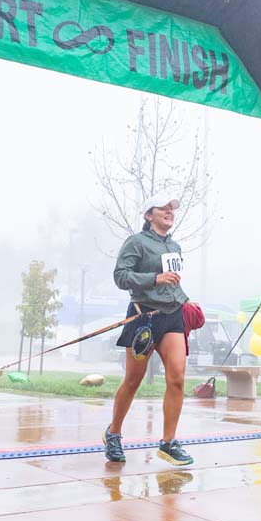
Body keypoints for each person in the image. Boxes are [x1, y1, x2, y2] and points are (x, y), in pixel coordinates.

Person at [104, 194, 194, 466]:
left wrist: (185, 301)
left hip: (172, 317)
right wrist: (154, 278)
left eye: (172, 209)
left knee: (177, 377)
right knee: (133, 379)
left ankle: (168, 442)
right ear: (148, 215)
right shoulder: (136, 242)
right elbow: (120, 276)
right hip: (143, 317)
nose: (169, 211)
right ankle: (113, 433)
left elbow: (173, 282)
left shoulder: (175, 246)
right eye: (163, 208)